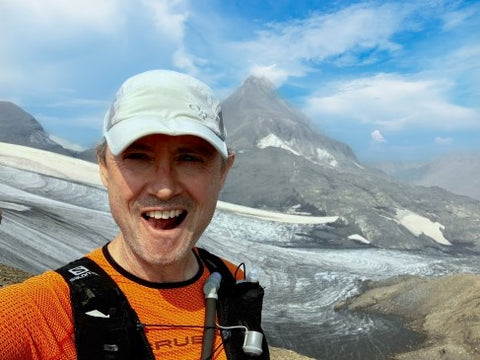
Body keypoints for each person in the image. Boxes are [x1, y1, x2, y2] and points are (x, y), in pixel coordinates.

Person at [0, 70, 269, 359]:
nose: (164, 188)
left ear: (223, 172)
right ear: (104, 167)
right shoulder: (36, 312)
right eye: (138, 157)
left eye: (190, 158)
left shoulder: (234, 283)